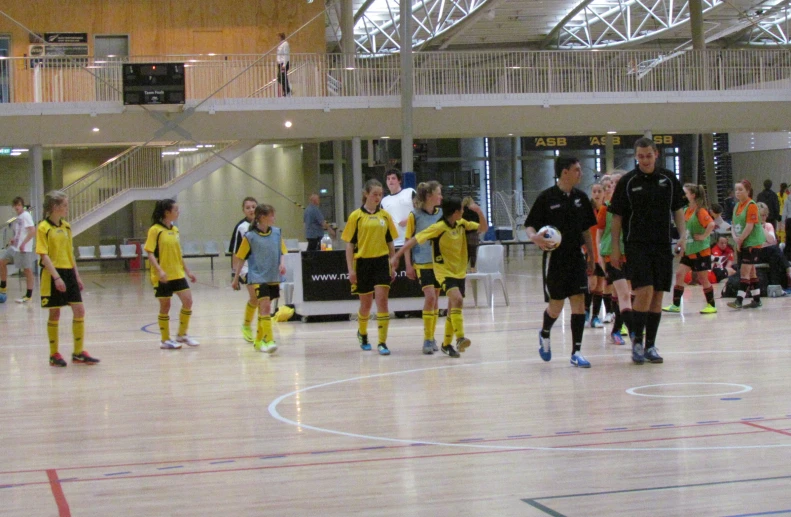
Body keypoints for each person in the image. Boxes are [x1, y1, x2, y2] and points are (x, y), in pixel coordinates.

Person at [609, 137, 686, 365]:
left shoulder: (669, 179)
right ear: (636, 156)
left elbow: (678, 210)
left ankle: (651, 345)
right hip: (636, 245)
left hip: (662, 245)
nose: (644, 160)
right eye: (640, 156)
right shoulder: (628, 182)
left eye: (648, 156)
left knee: (658, 294)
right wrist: (615, 248)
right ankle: (638, 342)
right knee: (645, 290)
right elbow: (616, 218)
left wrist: (683, 236)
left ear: (656, 155)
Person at [393, 196, 488, 358]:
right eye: (462, 210)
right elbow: (414, 240)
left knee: (455, 306)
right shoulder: (438, 227)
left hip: (459, 271)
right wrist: (397, 256)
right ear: (456, 212)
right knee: (457, 299)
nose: (463, 212)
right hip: (444, 272)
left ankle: (446, 344)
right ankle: (460, 337)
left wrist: (478, 211)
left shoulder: (461, 224)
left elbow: (483, 228)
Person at [526, 156, 597, 368]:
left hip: (576, 256)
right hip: (555, 258)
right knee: (556, 306)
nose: (580, 173)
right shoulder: (546, 198)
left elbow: (586, 230)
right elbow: (530, 226)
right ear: (565, 172)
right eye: (577, 169)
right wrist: (534, 238)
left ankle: (576, 352)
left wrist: (591, 256)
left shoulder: (582, 198)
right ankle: (545, 332)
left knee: (579, 304)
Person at [36, 190, 99, 366]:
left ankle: (78, 352)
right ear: (55, 207)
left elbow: (69, 253)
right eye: (64, 205)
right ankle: (53, 354)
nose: (67, 208)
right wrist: (56, 278)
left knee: (79, 310)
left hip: (69, 272)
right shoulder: (43, 227)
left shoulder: (66, 227)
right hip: (52, 273)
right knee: (54, 313)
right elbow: (43, 255)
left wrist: (76, 276)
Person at [342, 179, 398, 356]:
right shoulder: (355, 216)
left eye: (380, 194)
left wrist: (393, 262)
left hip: (381, 262)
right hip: (363, 263)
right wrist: (351, 269)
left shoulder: (385, 216)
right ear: (366, 194)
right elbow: (350, 246)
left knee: (382, 301)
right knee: (365, 305)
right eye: (375, 194)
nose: (378, 197)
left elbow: (390, 242)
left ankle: (382, 342)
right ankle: (363, 333)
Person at [232, 204, 287, 353]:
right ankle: (269, 340)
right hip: (257, 276)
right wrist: (236, 278)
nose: (274, 218)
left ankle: (258, 342)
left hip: (273, 276)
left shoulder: (276, 233)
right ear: (262, 217)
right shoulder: (250, 237)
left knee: (266, 308)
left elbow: (282, 251)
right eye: (272, 215)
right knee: (265, 307)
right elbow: (241, 258)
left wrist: (282, 264)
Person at [145, 199, 199, 349]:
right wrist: (159, 270)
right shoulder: (155, 230)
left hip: (178, 274)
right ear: (167, 212)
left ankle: (182, 335)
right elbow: (149, 252)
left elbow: (178, 253)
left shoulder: (175, 230)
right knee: (165, 306)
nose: (178, 212)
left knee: (188, 301)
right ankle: (165, 340)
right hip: (162, 277)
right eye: (176, 210)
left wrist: (188, 271)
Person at [663, 184, 717, 314]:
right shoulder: (687, 210)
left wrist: (703, 236)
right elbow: (685, 230)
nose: (682, 196)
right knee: (679, 274)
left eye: (685, 193)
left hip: (700, 251)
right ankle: (676, 304)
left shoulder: (700, 211)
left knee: (703, 278)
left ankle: (711, 305)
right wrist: (681, 242)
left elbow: (711, 223)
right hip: (689, 250)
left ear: (692, 195)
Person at [404, 181, 443, 354]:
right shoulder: (415, 216)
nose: (441, 196)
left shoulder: (442, 214)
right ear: (429, 196)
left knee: (435, 301)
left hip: (439, 263)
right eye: (439, 193)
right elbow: (407, 242)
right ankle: (427, 339)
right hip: (422, 262)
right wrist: (408, 264)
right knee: (430, 298)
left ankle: (432, 336)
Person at [596, 171, 631, 346]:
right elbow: (599, 233)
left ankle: (618, 328)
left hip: (630, 254)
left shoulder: (633, 207)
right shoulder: (605, 208)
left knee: (625, 294)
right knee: (623, 293)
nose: (616, 186)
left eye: (619, 182)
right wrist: (599, 257)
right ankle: (633, 333)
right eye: (614, 183)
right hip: (611, 254)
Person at [727, 179, 765, 309]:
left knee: (744, 272)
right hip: (741, 242)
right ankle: (757, 300)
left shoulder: (751, 205)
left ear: (748, 191)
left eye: (741, 189)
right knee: (752, 272)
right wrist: (735, 238)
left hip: (752, 243)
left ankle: (739, 301)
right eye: (736, 189)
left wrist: (740, 240)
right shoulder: (737, 206)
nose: (737, 192)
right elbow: (733, 225)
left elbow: (749, 226)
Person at [229, 197, 258, 343]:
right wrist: (235, 275)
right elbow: (236, 251)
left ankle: (261, 329)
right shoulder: (241, 227)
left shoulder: (263, 225)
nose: (251, 209)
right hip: (246, 267)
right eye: (248, 207)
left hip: (261, 268)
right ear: (243, 210)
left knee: (260, 299)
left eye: (254, 206)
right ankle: (246, 326)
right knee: (256, 297)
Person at [0, 197, 35, 303]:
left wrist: (24, 243)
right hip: (14, 247)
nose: (17, 207)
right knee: (2, 262)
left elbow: (32, 231)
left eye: (19, 205)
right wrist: (13, 240)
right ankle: (3, 287)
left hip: (23, 249)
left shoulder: (26, 216)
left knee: (27, 270)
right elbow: (20, 232)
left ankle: (28, 295)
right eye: (15, 205)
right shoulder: (18, 217)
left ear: (22, 206)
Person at [586, 181, 607, 328]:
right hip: (590, 253)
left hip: (604, 253)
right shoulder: (588, 210)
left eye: (600, 191)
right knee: (591, 284)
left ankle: (595, 317)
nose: (597, 194)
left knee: (600, 285)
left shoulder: (607, 210)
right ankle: (585, 313)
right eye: (594, 191)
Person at [756, 202, 791, 289]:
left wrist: (763, 229)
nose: (763, 218)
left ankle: (775, 286)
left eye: (765, 215)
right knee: (774, 249)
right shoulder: (752, 227)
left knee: (774, 257)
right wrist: (759, 226)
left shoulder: (768, 225)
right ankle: (788, 268)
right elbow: (757, 244)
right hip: (756, 254)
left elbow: (772, 240)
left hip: (768, 252)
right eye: (761, 215)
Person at [381, 169, 416, 247]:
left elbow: (421, 210)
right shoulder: (384, 201)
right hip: (394, 243)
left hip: (412, 240)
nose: (390, 181)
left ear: (399, 180)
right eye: (388, 178)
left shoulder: (409, 192)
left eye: (393, 178)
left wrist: (409, 220)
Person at [461, 197, 481, 271]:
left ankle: (464, 268)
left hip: (463, 234)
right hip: (473, 233)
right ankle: (473, 268)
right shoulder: (475, 211)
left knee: (465, 252)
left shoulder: (462, 211)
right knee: (473, 252)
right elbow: (479, 222)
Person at [276, 32, 291, 97]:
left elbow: (286, 54)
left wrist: (284, 64)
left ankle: (287, 90)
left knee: (282, 77)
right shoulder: (281, 44)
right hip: (280, 63)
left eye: (278, 37)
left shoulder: (285, 44)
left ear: (281, 37)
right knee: (281, 77)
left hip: (283, 63)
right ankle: (286, 90)